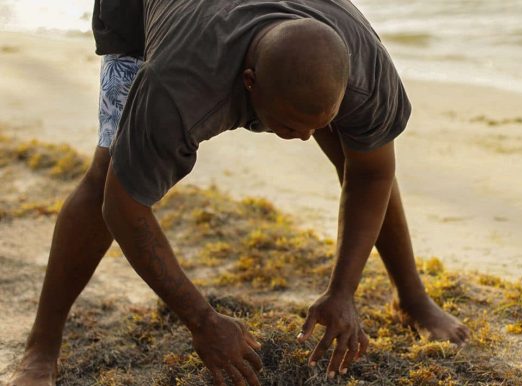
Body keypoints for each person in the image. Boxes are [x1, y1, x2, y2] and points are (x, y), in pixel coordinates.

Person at [9, 0, 469, 385]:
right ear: (248, 85)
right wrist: (203, 321)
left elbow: (371, 175)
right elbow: (123, 205)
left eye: (319, 124)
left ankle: (413, 299)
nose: (307, 139)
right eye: (291, 126)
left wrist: (343, 291)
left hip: (274, 37)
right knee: (109, 169)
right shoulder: (174, 86)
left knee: (360, 153)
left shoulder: (367, 72)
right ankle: (42, 344)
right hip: (146, 15)